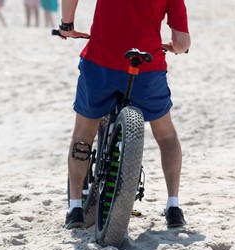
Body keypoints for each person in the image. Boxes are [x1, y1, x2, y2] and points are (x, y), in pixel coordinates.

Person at [59, 0, 191, 229]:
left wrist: (67, 25)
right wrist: (174, 47)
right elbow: (181, 42)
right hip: (146, 69)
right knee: (166, 136)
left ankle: (76, 208)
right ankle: (173, 206)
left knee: (82, 134)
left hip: (101, 63)